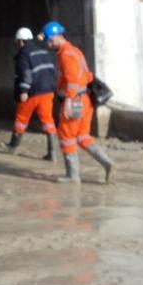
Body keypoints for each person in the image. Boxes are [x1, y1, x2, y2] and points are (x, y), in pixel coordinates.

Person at [43, 21, 114, 184]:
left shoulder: (65, 55)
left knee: (66, 135)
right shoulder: (75, 51)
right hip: (85, 100)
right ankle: (107, 163)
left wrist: (68, 100)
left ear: (58, 36)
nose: (48, 44)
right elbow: (86, 76)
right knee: (82, 136)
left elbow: (72, 80)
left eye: (49, 40)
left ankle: (72, 175)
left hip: (74, 101)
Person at [1, 27, 59, 161]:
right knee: (48, 120)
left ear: (21, 41)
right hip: (48, 91)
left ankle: (13, 147)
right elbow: (52, 70)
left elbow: (25, 73)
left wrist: (23, 91)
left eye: (18, 42)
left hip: (33, 92)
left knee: (21, 119)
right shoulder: (44, 51)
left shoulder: (24, 54)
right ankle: (53, 153)